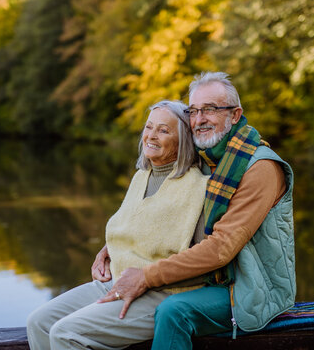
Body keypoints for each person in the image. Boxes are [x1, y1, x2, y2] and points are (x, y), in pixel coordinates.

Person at [99, 72, 296, 350]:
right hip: (205, 277)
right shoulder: (205, 158)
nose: (200, 119)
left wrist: (146, 275)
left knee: (173, 311)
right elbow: (160, 219)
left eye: (211, 109)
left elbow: (221, 249)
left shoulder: (259, 168)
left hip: (248, 286)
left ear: (235, 115)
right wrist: (112, 248)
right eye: (194, 111)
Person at [26, 100, 210, 350]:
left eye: (163, 130)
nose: (151, 136)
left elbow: (201, 259)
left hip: (163, 293)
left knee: (65, 333)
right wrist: (106, 253)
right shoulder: (141, 177)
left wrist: (147, 278)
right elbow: (136, 229)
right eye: (148, 127)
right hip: (116, 282)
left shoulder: (197, 187)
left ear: (184, 140)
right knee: (39, 322)